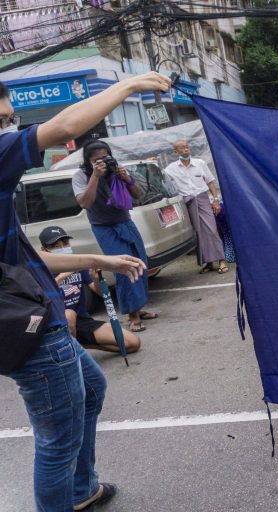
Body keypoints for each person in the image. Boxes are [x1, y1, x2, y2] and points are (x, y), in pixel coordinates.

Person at [0, 72, 170, 511]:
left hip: (39, 320)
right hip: (33, 331)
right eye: (1, 120)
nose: (8, 129)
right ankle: (68, 497)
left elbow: (27, 261)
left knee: (91, 388)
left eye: (10, 119)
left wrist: (100, 261)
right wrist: (129, 86)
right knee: (57, 441)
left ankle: (81, 491)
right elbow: (64, 128)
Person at [72, 139, 159, 333]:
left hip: (125, 223)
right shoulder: (80, 176)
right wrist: (95, 175)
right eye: (97, 160)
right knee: (124, 268)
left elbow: (136, 195)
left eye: (105, 157)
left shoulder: (117, 170)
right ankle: (132, 316)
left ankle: (139, 308)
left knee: (140, 265)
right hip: (104, 228)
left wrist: (126, 178)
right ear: (88, 161)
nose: (102, 162)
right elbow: (85, 202)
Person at [39, 226, 141, 354]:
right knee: (69, 314)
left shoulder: (77, 264)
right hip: (58, 323)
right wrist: (61, 277)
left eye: (65, 243)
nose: (62, 248)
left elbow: (100, 293)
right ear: (44, 250)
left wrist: (96, 279)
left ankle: (82, 345)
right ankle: (72, 355)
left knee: (132, 343)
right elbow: (39, 299)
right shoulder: (40, 271)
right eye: (55, 246)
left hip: (82, 321)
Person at [163, 139, 228, 274]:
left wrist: (215, 200)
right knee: (198, 233)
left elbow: (210, 182)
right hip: (187, 203)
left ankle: (222, 260)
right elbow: (161, 178)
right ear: (176, 152)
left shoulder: (200, 163)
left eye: (187, 147)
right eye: (182, 148)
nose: (185, 149)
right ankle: (208, 262)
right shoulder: (170, 169)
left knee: (211, 229)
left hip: (203, 198)